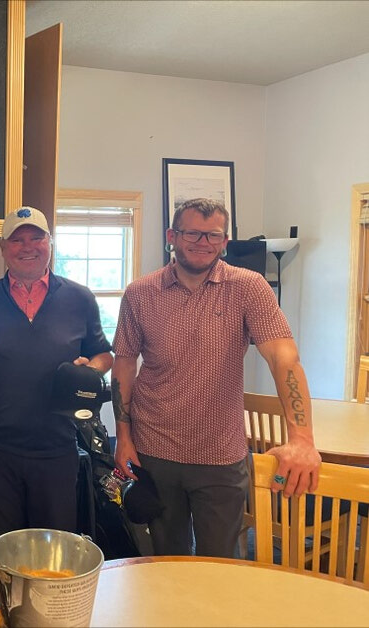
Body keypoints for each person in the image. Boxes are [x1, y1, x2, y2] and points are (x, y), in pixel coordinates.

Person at [111, 197, 321, 558]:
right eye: (192, 233)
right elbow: (124, 366)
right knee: (167, 559)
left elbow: (283, 358)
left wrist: (302, 438)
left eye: (212, 235)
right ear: (172, 237)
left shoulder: (249, 287)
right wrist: (123, 438)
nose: (202, 242)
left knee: (221, 563)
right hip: (154, 450)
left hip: (220, 453)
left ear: (224, 242)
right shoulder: (140, 293)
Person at [0, 206, 113, 542]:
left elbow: (104, 354)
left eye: (36, 238)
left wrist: (90, 370)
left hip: (57, 449)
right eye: (17, 240)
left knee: (54, 552)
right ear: (3, 248)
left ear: (50, 242)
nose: (27, 247)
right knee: (4, 551)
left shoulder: (80, 299)